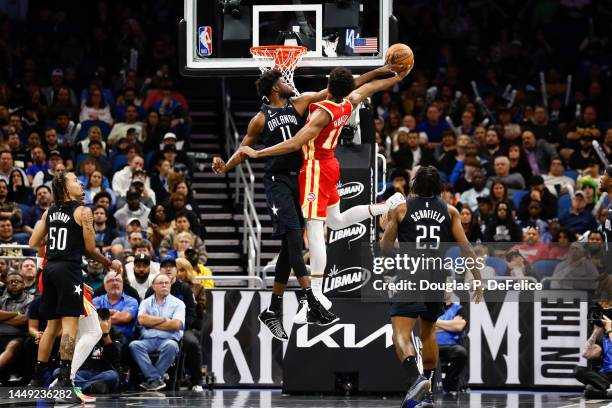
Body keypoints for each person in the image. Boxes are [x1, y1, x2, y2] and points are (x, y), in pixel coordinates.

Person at [238, 66, 409, 323]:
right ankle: (385, 206)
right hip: (331, 165)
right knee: (337, 221)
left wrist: (258, 153)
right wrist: (392, 75)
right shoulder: (348, 103)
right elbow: (369, 87)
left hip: (315, 169)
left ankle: (316, 296)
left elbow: (294, 143)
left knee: (316, 233)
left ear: (329, 85)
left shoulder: (321, 113)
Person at [380, 166, 482, 407]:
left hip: (411, 274)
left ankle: (415, 380)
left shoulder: (401, 208)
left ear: (414, 185)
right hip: (436, 278)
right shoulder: (451, 211)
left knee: (401, 334)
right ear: (438, 187)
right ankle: (426, 395)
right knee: (428, 334)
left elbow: (385, 248)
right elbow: (467, 248)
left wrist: (387, 227)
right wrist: (477, 278)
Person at [27, 170, 119, 394]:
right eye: (76, 181)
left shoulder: (49, 212)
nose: (81, 183)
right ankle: (66, 376)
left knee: (51, 326)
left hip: (49, 270)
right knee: (70, 327)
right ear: (66, 188)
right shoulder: (83, 211)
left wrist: (57, 237)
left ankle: (37, 378)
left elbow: (33, 241)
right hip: (69, 269)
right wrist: (109, 263)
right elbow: (89, 249)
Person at [129, 273, 185, 391]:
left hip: (168, 340)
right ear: (153, 286)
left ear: (170, 285)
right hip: (147, 341)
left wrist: (152, 323)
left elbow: (176, 325)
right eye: (161, 283)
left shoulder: (178, 304)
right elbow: (141, 320)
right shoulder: (145, 302)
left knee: (171, 346)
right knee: (134, 345)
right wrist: (164, 320)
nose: (164, 285)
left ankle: (152, 379)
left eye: (167, 283)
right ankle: (157, 378)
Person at [0, 271, 33, 381]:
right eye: (11, 282)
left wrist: (3, 319)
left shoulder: (30, 299)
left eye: (17, 281)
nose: (14, 284)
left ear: (24, 284)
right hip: (1, 333)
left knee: (12, 346)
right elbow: (20, 317)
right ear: (6, 285)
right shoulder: (1, 298)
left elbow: (25, 319)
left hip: (20, 335)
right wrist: (17, 314)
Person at [575, 301, 612, 399]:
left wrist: (609, 329)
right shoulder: (604, 340)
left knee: (591, 391)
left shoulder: (609, 333)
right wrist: (596, 331)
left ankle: (605, 392)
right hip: (605, 376)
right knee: (579, 371)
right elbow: (585, 354)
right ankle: (608, 389)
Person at [435, 292, 468, 394]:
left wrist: (435, 323)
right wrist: (449, 325)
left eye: (447, 287)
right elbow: (424, 326)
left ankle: (449, 385)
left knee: (460, 352)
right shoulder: (432, 308)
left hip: (450, 346)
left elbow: (458, 326)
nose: (444, 290)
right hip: (431, 345)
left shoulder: (459, 309)